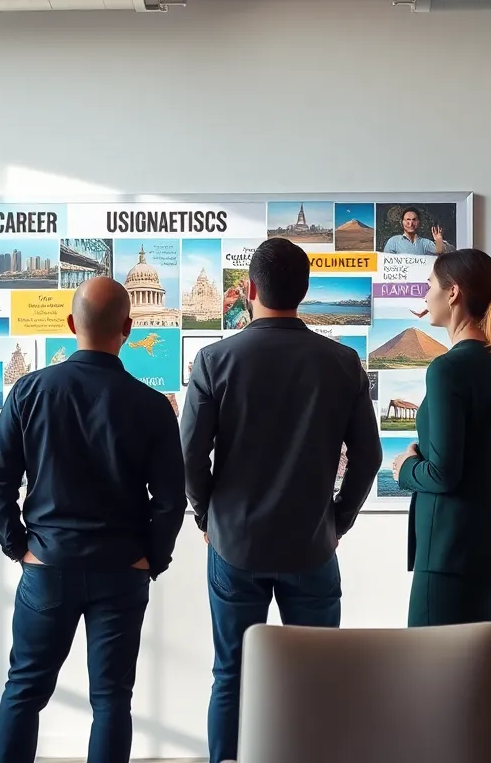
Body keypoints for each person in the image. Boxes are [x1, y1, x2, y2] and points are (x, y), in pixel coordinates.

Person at [180, 237, 382, 763]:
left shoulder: (213, 359)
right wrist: (338, 520)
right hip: (313, 545)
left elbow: (188, 459)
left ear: (248, 290)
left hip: (234, 543)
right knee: (315, 678)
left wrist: (206, 516)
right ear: (306, 291)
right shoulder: (341, 363)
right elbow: (368, 457)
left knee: (231, 674)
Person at [0, 276, 186, 763]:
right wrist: (152, 559)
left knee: (24, 691)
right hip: (122, 569)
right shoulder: (152, 405)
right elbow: (171, 498)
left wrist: (19, 547)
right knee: (113, 699)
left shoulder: (30, 391)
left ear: (71, 324)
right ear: (129, 328)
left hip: (48, 566)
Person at [389, 248, 491, 763]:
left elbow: (444, 473)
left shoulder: (449, 370)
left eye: (430, 284)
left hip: (449, 557)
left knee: (431, 687)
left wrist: (403, 466)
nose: (424, 295)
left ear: (453, 293)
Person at [382, 206, 455, 255]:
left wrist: (439, 240)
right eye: (408, 220)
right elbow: (386, 262)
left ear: (419, 222)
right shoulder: (393, 241)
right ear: (402, 222)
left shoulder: (425, 243)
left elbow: (440, 252)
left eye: (414, 220)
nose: (410, 223)